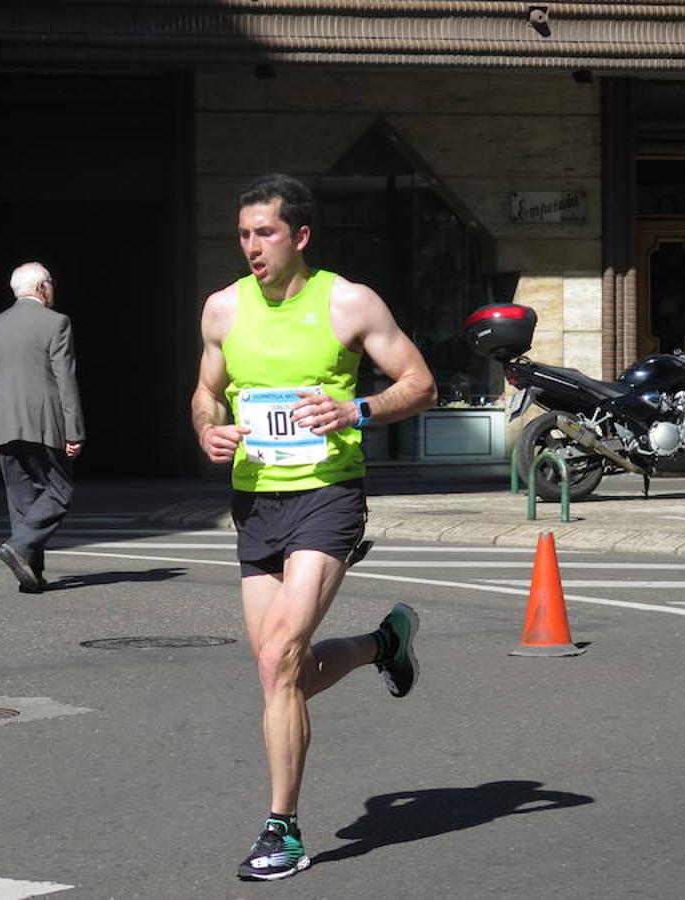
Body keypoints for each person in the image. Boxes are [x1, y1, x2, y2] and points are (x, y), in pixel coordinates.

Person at [190, 174, 438, 881]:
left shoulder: (348, 302)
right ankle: (379, 644)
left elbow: (421, 383)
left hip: (327, 495)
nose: (251, 248)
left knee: (279, 658)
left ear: (299, 236)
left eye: (264, 233)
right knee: (277, 671)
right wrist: (208, 431)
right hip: (255, 500)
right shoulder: (222, 309)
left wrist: (356, 412)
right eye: (242, 235)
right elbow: (204, 394)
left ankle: (283, 830)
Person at [0, 262, 85, 593]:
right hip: (43, 423)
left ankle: (31, 573)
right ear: (42, 287)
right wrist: (74, 431)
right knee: (59, 490)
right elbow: (64, 379)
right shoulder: (56, 323)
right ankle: (20, 544)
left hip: (3, 424)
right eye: (51, 283)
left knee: (22, 499)